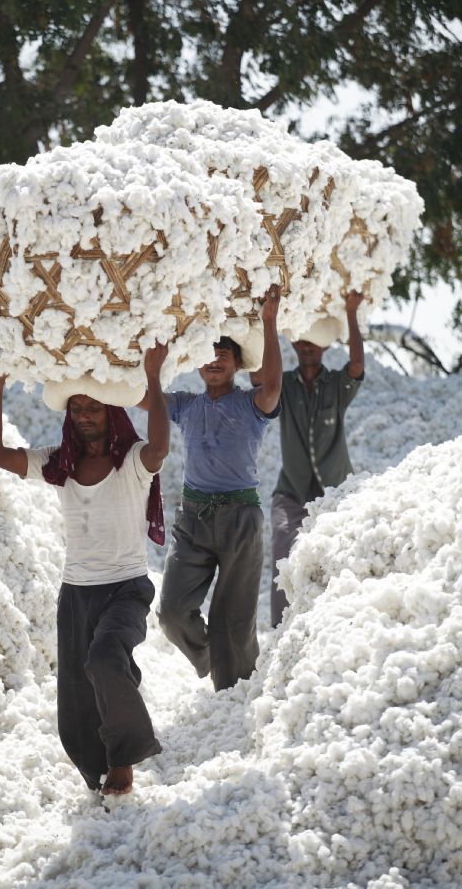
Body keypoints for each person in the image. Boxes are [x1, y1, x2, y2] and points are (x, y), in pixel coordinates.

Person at [0, 344, 170, 797]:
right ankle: (96, 771)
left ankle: (124, 760)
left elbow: (161, 445)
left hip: (126, 588)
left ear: (111, 413)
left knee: (105, 660)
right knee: (77, 697)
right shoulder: (58, 464)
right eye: (78, 408)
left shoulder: (132, 461)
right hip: (76, 593)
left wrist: (153, 375)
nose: (85, 414)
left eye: (94, 407)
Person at [138, 285, 282, 691]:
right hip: (194, 517)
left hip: (240, 517)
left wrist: (269, 323)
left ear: (237, 363)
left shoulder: (251, 405)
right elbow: (145, 402)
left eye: (225, 353)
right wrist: (151, 368)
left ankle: (236, 694)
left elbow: (272, 387)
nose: (216, 359)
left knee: (234, 620)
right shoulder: (186, 405)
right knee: (171, 613)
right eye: (210, 353)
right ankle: (212, 657)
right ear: (198, 363)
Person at [267, 290, 365, 627]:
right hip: (291, 490)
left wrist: (351, 312)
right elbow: (259, 379)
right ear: (294, 345)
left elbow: (356, 365)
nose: (306, 345)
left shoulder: (336, 386)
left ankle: (334, 624)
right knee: (283, 547)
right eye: (301, 340)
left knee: (335, 559)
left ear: (324, 346)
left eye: (314, 340)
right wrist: (267, 321)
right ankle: (282, 629)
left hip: (335, 493)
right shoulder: (284, 386)